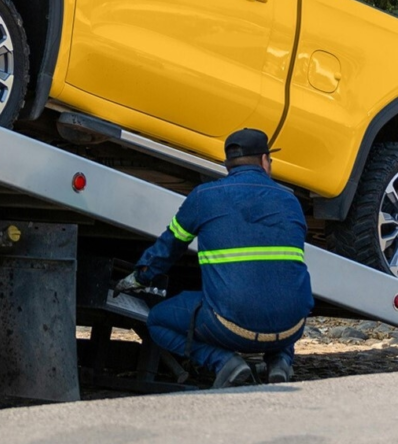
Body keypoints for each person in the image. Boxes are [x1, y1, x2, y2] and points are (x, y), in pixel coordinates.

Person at [116, 128, 313, 388]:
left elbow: (168, 249)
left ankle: (224, 362)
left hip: (229, 328)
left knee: (158, 321)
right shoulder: (290, 201)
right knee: (278, 296)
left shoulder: (204, 197)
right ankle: (280, 362)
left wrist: (139, 277)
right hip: (293, 327)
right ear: (265, 161)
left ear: (227, 165)